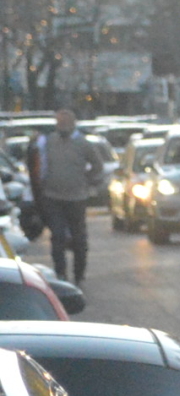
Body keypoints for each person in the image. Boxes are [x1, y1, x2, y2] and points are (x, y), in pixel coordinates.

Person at [29, 108, 109, 285]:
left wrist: (86, 180)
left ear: (73, 124)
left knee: (78, 238)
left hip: (76, 198)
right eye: (59, 123)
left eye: (65, 123)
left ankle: (79, 274)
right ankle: (61, 274)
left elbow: (98, 166)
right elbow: (38, 163)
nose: (61, 126)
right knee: (57, 236)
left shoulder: (84, 144)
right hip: (53, 197)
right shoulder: (50, 142)